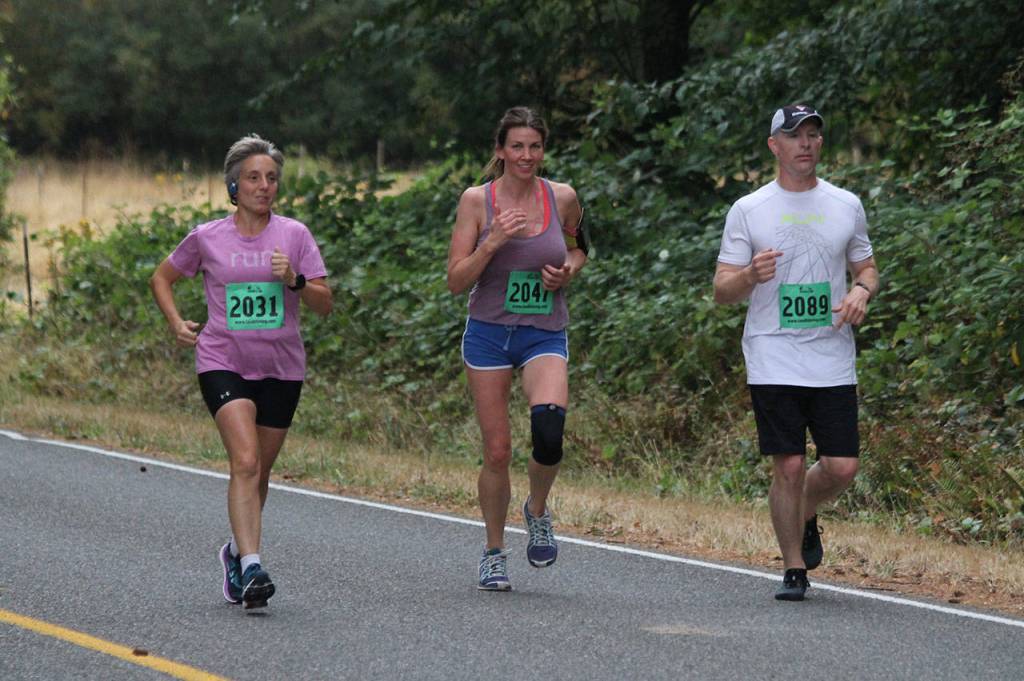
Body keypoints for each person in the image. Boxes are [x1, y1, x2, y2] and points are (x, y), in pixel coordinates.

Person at [150, 134, 332, 609]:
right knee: (245, 461)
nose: (264, 186)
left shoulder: (295, 235)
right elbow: (162, 277)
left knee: (260, 472)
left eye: (271, 178)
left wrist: (294, 279)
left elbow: (325, 303)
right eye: (253, 177)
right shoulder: (208, 237)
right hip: (222, 360)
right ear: (233, 185)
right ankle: (253, 566)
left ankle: (234, 552)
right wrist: (176, 323)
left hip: (281, 367)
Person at [712, 105, 879, 601]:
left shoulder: (845, 205)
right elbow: (722, 289)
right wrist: (748, 276)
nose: (805, 143)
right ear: (774, 146)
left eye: (813, 135)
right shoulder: (748, 209)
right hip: (772, 351)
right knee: (786, 464)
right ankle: (793, 569)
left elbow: (867, 267)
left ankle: (802, 512)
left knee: (842, 466)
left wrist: (861, 292)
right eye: (795, 136)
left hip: (830, 353)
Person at [447, 107, 588, 591]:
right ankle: (492, 551)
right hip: (488, 332)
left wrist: (568, 269)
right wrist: (492, 243)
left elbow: (580, 247)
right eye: (517, 147)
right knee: (498, 450)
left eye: (535, 146)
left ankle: (537, 509)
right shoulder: (476, 201)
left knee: (549, 430)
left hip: (543, 331)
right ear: (500, 150)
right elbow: (454, 280)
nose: (526, 156)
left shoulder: (562, 197)